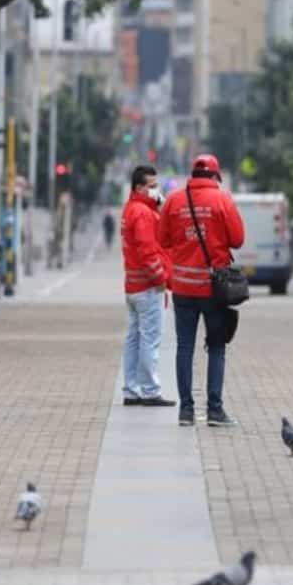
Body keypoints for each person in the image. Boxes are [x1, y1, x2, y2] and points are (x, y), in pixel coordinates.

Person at [157, 154, 244, 427]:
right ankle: (215, 411)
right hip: (213, 289)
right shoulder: (223, 200)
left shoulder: (173, 200)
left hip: (183, 287)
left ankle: (186, 411)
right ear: (216, 176)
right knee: (216, 348)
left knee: (184, 347)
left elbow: (162, 239)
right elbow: (238, 240)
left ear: (192, 175)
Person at [121, 165, 174, 407]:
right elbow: (147, 250)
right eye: (151, 186)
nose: (156, 190)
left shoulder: (132, 209)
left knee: (134, 338)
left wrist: (159, 206)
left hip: (133, 286)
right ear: (139, 187)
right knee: (150, 339)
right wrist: (160, 279)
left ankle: (131, 389)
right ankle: (150, 390)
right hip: (148, 286)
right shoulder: (142, 213)